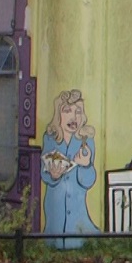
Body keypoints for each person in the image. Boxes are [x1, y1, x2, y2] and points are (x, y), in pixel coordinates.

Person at [42, 89, 98, 249]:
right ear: (58, 115)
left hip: (77, 205)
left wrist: (86, 165)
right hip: (55, 205)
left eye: (78, 111)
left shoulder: (86, 141)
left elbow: (89, 181)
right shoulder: (50, 139)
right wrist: (53, 176)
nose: (73, 117)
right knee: (53, 239)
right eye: (67, 111)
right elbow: (43, 172)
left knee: (79, 236)